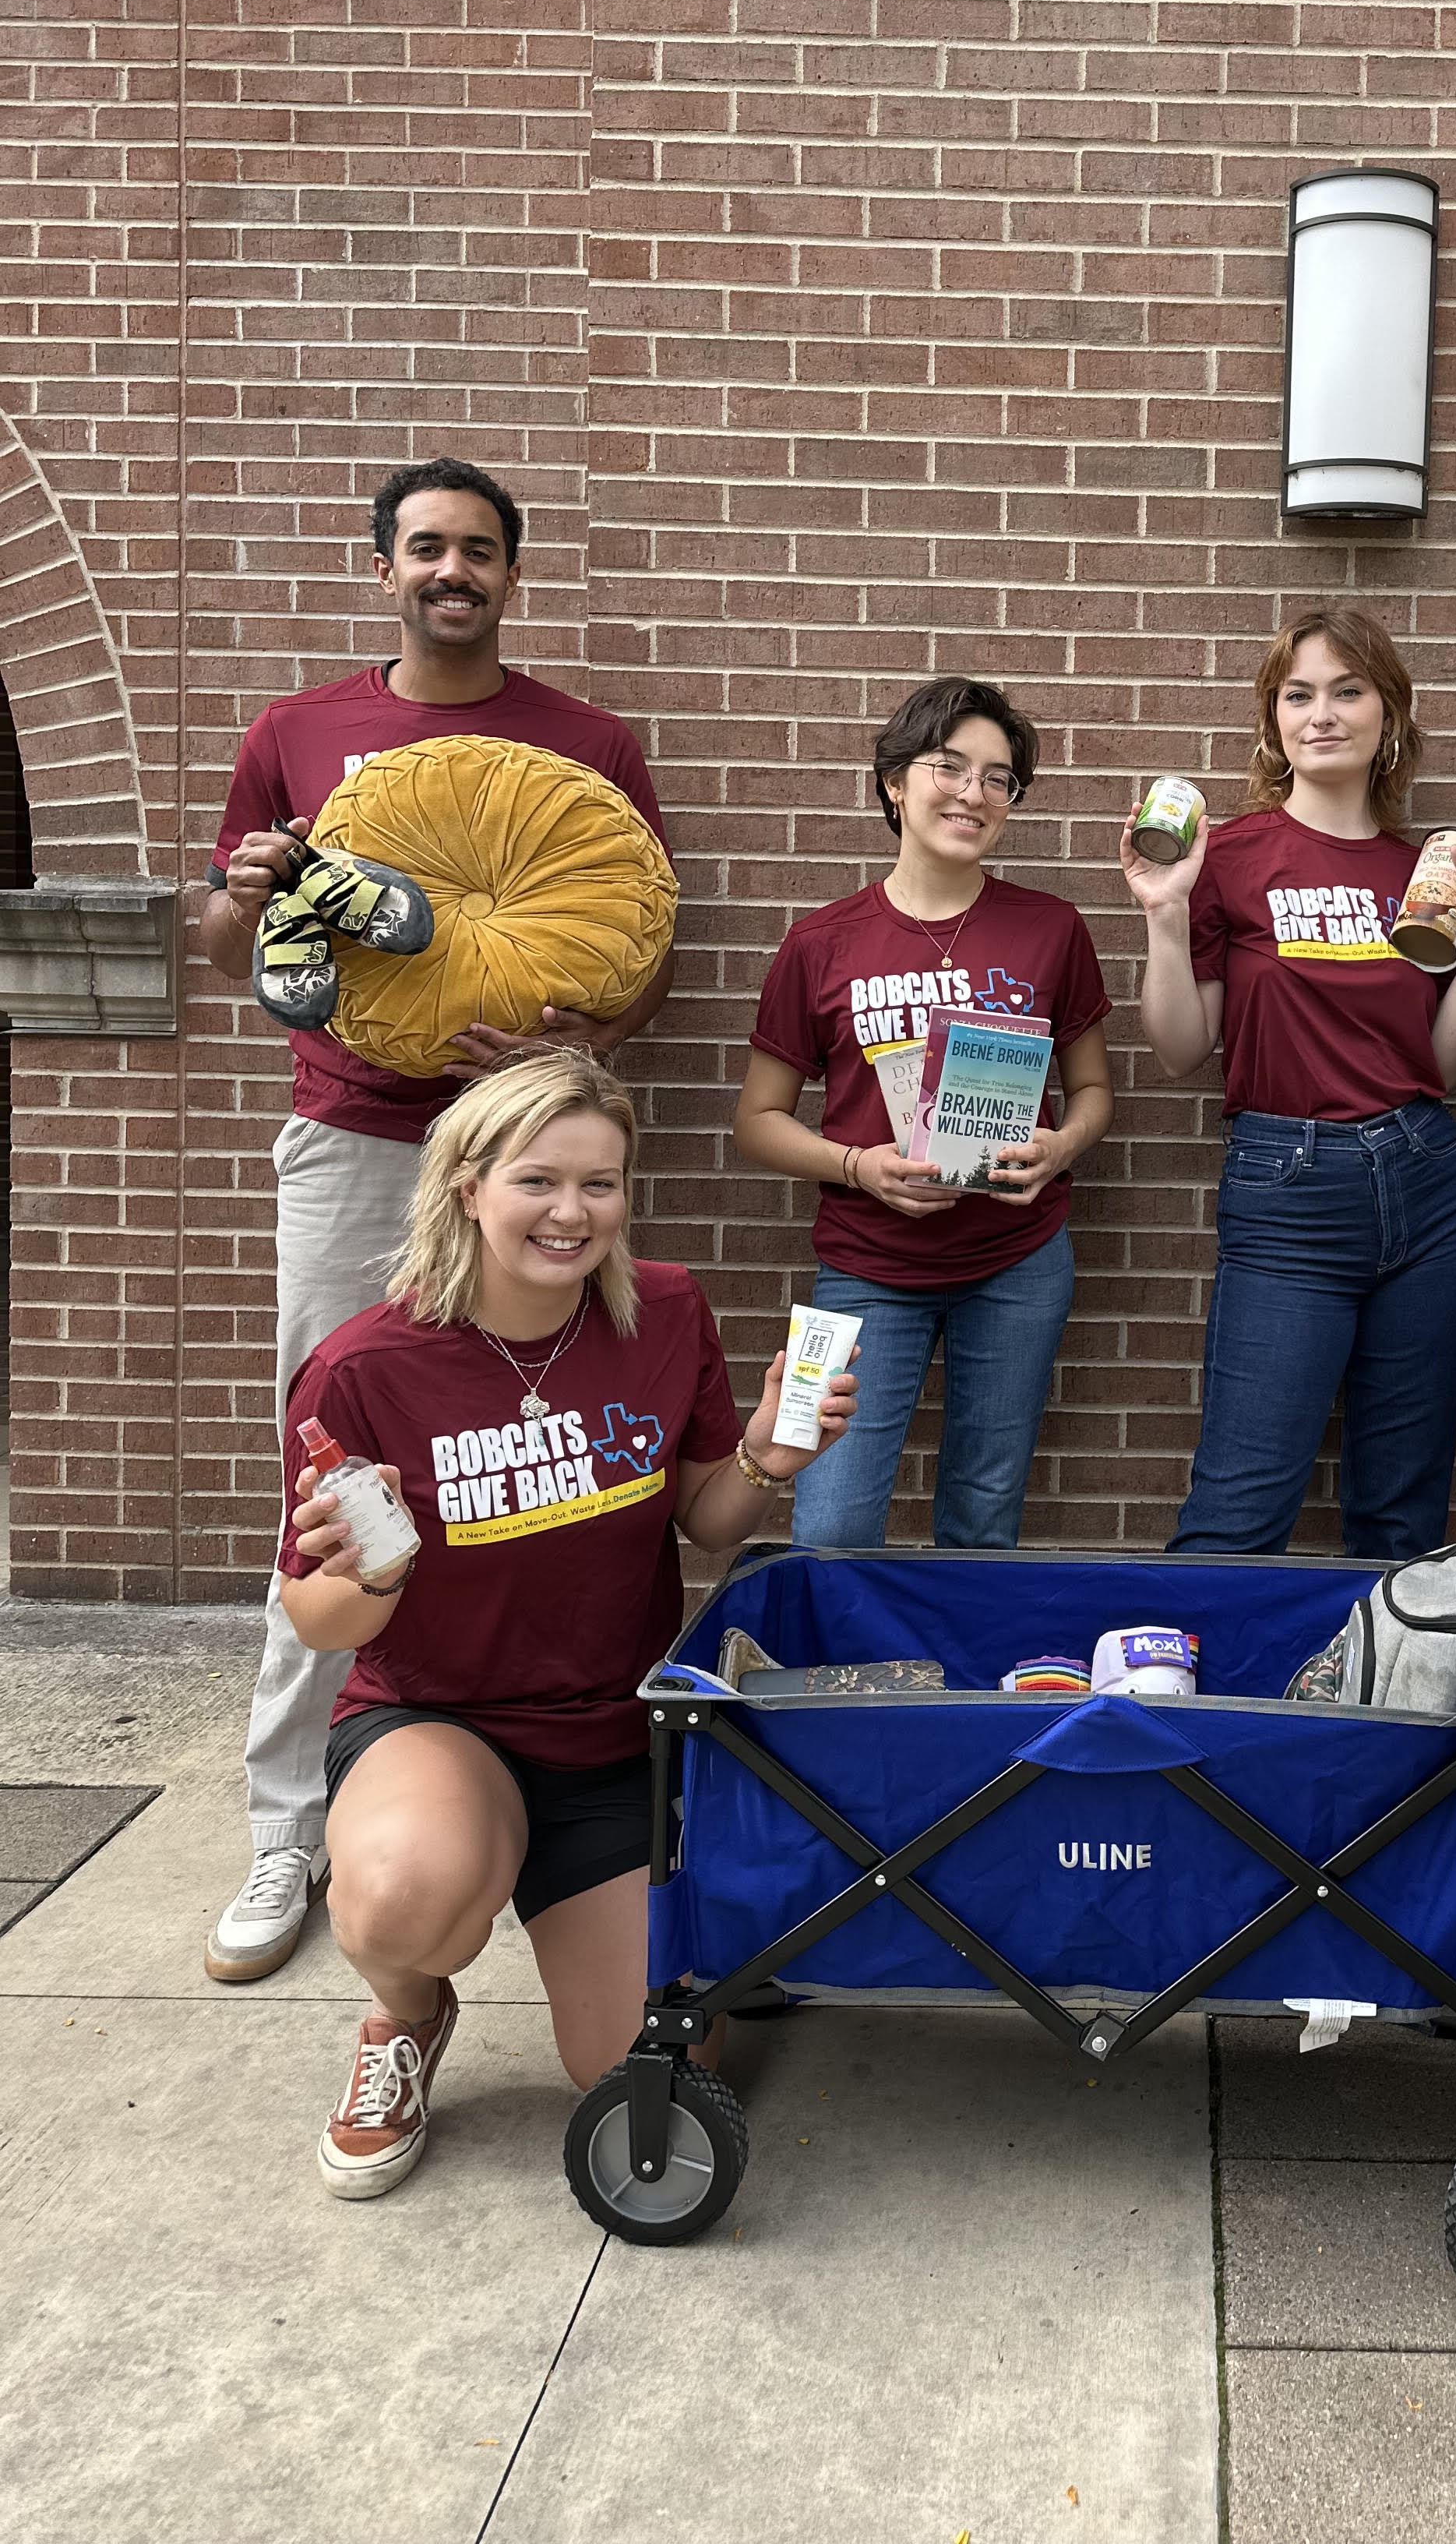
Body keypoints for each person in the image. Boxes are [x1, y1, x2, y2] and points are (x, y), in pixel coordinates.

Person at [201, 459, 674, 1985]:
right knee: (330, 1472)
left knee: (541, 1459)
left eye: (478, 549)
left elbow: (641, 952)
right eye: (425, 548)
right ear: (386, 569)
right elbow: (223, 947)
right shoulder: (297, 735)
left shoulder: (586, 744)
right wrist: (253, 891)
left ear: (511, 575)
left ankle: (541, 1790)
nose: (451, 570)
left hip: (529, 1152)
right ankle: (290, 1826)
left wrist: (577, 1038)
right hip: (357, 1139)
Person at [280, 1049, 854, 2199]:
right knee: (402, 1900)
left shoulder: (666, 1312)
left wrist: (764, 1457)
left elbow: (704, 1520)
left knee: (655, 2068)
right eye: (538, 1181)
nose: (571, 1212)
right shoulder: (364, 1366)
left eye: (601, 1183)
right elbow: (317, 1617)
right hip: (440, 1722)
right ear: (468, 1188)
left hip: (612, 1740)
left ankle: (615, 1914)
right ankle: (404, 2016)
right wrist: (379, 1570)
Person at [1122, 604, 1456, 1558]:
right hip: (1287, 1193)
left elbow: (1440, 1067)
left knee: (1401, 1519)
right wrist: (1165, 917)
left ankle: (1375, 1667)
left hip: (1428, 1189)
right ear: (1273, 720)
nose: (1323, 714)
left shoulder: (1425, 870)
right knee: (1237, 1514)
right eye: (1298, 694)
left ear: (1389, 715)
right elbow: (1181, 1049)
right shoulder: (1229, 857)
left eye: (1348, 691)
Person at [734, 677, 1112, 1544]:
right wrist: (858, 1167)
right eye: (950, 766)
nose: (973, 793)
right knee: (829, 1526)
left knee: (983, 1519)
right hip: (864, 1269)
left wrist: (1061, 1148)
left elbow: (1094, 1092)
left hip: (1018, 1264)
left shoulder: (1051, 929)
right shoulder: (821, 942)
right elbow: (757, 1119)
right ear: (895, 782)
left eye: (998, 778)